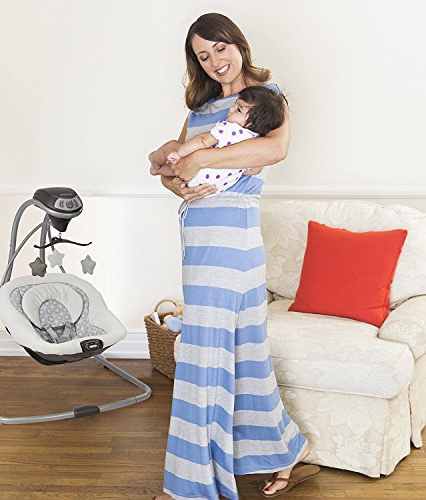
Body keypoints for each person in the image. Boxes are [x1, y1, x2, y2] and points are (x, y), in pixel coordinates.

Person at [150, 13, 319, 500]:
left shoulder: (268, 97)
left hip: (234, 237)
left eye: (220, 48)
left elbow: (275, 150)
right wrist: (178, 182)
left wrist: (202, 159)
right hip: (198, 233)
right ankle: (288, 449)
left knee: (201, 353)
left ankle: (188, 485)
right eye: (203, 56)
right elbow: (174, 167)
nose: (215, 61)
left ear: (239, 45)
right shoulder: (202, 108)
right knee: (244, 353)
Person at [150, 86, 287, 197]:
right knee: (177, 165)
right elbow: (254, 170)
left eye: (238, 110)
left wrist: (178, 153)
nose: (231, 109)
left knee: (172, 146)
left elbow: (203, 140)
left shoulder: (229, 129)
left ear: (253, 122)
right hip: (210, 188)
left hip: (196, 177)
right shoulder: (255, 142)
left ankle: (154, 160)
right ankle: (159, 169)